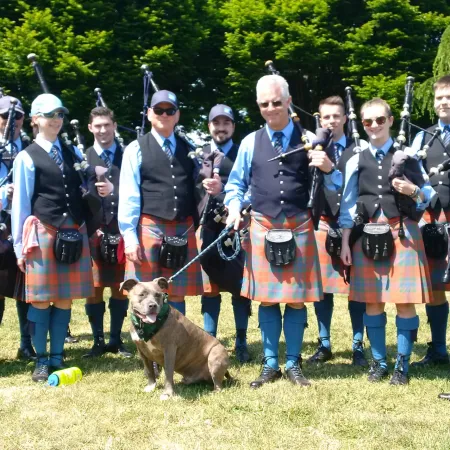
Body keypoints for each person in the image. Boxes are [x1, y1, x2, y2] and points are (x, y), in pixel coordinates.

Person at [224, 74, 340, 388]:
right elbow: (235, 185)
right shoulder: (250, 142)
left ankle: (293, 363)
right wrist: (234, 208)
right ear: (258, 106)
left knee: (297, 300)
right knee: (267, 299)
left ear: (288, 102)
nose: (271, 109)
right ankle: (270, 363)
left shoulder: (310, 140)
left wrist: (329, 168)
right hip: (262, 224)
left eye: (277, 102)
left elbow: (336, 186)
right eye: (265, 104)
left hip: (299, 225)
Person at [339, 97, 435, 385]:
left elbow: (428, 195)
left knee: (405, 303)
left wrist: (413, 190)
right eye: (368, 121)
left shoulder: (406, 157)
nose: (374, 126)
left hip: (404, 232)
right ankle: (379, 363)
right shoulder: (356, 159)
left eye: (380, 120)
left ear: (391, 121)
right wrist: (345, 242)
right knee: (373, 302)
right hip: (369, 234)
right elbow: (348, 205)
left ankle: (402, 366)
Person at [11, 93, 96, 382]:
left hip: (73, 232)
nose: (56, 120)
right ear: (35, 120)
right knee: (39, 301)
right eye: (50, 115)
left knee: (64, 299)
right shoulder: (26, 156)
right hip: (43, 232)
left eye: (59, 115)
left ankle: (58, 357)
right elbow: (21, 204)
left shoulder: (72, 153)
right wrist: (20, 248)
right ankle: (41, 360)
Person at [118, 90, 202, 314]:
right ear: (149, 114)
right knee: (144, 292)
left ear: (177, 115)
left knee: (176, 291)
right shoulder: (135, 149)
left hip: (182, 228)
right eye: (158, 110)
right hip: (150, 227)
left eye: (170, 110)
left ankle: (175, 342)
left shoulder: (190, 150)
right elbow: (129, 195)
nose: (164, 114)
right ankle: (148, 345)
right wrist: (129, 237)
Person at [307, 96, 368, 366]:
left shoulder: (360, 147)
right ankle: (325, 344)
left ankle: (358, 345)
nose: (331, 121)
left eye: (336, 116)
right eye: (326, 117)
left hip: (356, 224)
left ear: (345, 118)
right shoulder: (314, 147)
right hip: (322, 220)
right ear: (320, 120)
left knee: (358, 288)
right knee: (322, 289)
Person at [197, 104, 251, 363]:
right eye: (216, 123)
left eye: (226, 123)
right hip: (207, 227)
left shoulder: (244, 153)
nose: (221, 127)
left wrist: (225, 189)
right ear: (209, 126)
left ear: (233, 126)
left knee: (241, 287)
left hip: (238, 227)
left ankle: (241, 342)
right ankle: (210, 342)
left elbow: (252, 187)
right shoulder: (200, 155)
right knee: (210, 288)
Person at [82, 106, 131, 358]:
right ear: (90, 128)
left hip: (121, 229)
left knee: (118, 286)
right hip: (92, 230)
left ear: (114, 125)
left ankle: (116, 340)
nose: (102, 130)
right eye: (97, 126)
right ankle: (97, 341)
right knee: (94, 287)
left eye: (106, 125)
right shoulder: (82, 156)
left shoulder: (128, 155)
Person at [409, 75, 450, 368]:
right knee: (435, 285)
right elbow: (412, 170)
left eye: (448, 96)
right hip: (432, 219)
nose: (443, 102)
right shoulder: (424, 136)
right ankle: (437, 349)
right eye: (439, 97)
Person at [0, 95, 36, 361]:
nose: (12, 121)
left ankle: (27, 345)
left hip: (24, 227)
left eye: (17, 116)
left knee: (26, 291)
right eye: (4, 116)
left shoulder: (30, 147)